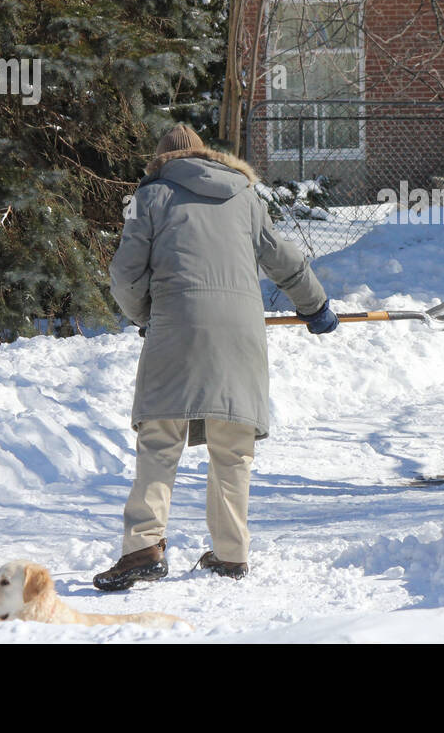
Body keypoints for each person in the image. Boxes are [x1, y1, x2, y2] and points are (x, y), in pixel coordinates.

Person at [94, 125, 337, 589]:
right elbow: (283, 259)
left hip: (176, 328)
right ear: (209, 157)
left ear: (160, 161)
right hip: (241, 332)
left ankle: (144, 547)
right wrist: (316, 306)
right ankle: (231, 554)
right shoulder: (245, 196)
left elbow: (125, 276)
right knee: (232, 447)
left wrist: (146, 316)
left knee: (160, 440)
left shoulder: (152, 197)